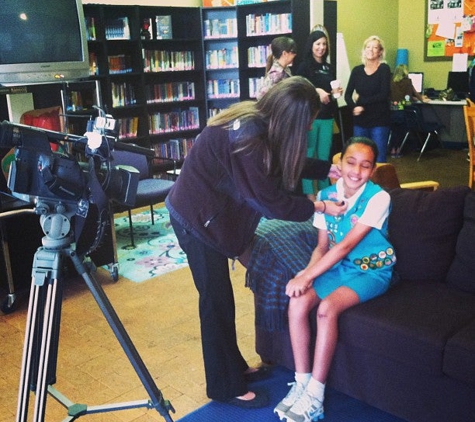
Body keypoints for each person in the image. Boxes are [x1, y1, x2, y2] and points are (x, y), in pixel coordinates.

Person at [165, 76, 347, 409]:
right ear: (291, 118)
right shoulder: (248, 137)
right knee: (215, 302)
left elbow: (283, 159)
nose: (308, 130)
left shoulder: (260, 123)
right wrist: (319, 205)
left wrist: (326, 169)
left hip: (207, 215)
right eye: (306, 123)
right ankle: (224, 387)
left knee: (219, 299)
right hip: (195, 219)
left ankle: (233, 369)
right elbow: (270, 202)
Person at [274, 136, 396, 422]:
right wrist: (304, 277)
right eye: (350, 162)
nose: (356, 171)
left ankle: (315, 396)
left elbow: (345, 246)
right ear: (338, 163)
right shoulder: (325, 196)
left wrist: (307, 276)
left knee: (327, 309)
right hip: (338, 266)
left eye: (365, 166)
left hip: (372, 269)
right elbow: (322, 247)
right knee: (297, 302)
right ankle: (302, 383)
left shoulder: (379, 197)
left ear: (373, 169)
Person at [296, 28, 343, 200]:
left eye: (324, 44)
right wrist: (317, 91)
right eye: (318, 44)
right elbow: (299, 88)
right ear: (311, 46)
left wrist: (336, 91)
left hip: (327, 117)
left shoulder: (328, 67)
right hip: (310, 118)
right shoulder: (304, 66)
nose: (321, 47)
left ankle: (325, 193)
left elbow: (330, 90)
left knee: (324, 157)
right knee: (308, 156)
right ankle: (310, 195)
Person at [344, 36, 391, 163]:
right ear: (364, 50)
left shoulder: (384, 69)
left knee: (379, 158)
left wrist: (362, 101)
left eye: (375, 47)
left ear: (380, 52)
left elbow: (384, 94)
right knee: (360, 157)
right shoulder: (357, 71)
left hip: (379, 120)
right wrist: (354, 107)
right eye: (368, 47)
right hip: (360, 121)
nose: (371, 50)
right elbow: (347, 95)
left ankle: (378, 183)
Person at [389, 64, 431, 158]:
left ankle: (392, 150)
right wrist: (421, 99)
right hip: (401, 111)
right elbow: (411, 95)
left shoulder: (391, 82)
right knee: (400, 131)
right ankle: (398, 150)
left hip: (391, 110)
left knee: (394, 130)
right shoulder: (407, 81)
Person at [256, 36, 297, 100]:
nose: (295, 54)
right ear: (284, 54)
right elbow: (261, 97)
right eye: (293, 52)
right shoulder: (276, 74)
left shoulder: (285, 69)